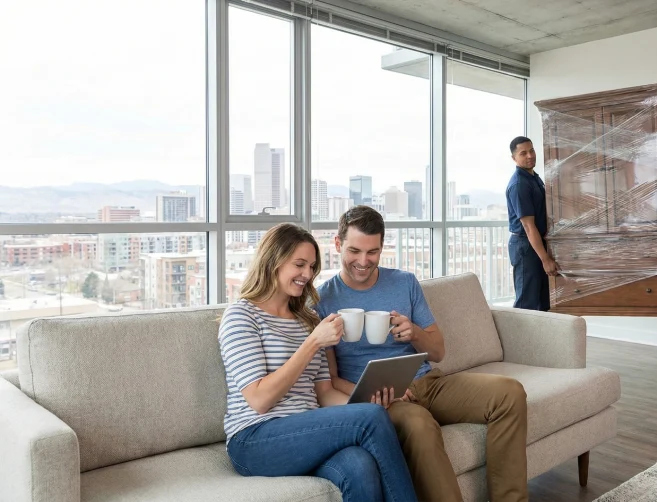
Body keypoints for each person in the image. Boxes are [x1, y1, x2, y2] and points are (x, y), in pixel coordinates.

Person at [316, 206, 529, 502]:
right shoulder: (323, 300)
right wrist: (372, 394)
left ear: (382, 248)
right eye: (354, 251)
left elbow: (439, 352)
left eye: (373, 252)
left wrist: (414, 332)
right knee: (419, 426)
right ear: (338, 245)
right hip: (383, 399)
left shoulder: (404, 282)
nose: (363, 261)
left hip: (428, 382)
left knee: (510, 393)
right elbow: (331, 379)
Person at [217, 223, 417, 502]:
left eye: (311, 267)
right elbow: (259, 399)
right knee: (370, 418)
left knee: (360, 464)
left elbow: (325, 394)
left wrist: (362, 407)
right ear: (272, 260)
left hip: (306, 433)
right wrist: (312, 344)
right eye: (299, 264)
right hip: (254, 439)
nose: (307, 274)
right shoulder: (241, 316)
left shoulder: (307, 321)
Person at [505, 135, 558, 311]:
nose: (530, 156)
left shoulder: (534, 177)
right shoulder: (519, 184)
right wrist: (545, 259)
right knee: (526, 302)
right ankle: (516, 339)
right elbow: (528, 226)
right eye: (523, 153)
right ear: (514, 158)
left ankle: (539, 339)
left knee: (542, 301)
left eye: (532, 150)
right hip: (525, 246)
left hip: (537, 242)